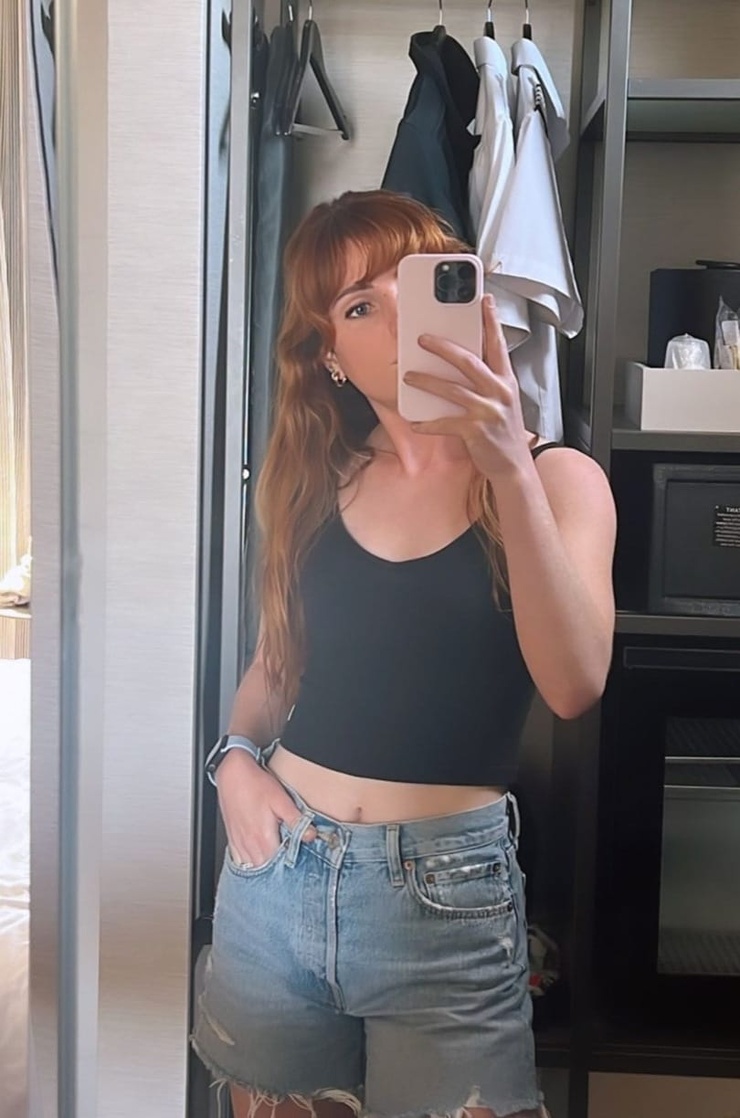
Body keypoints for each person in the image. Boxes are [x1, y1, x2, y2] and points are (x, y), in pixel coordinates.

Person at [191, 190, 616, 1118]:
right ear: (329, 358)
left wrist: (505, 463)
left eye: (414, 283)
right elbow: (276, 665)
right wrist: (231, 766)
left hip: (447, 899)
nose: (394, 317)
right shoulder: (319, 484)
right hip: (277, 871)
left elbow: (575, 683)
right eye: (358, 306)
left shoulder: (558, 478)